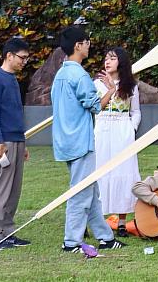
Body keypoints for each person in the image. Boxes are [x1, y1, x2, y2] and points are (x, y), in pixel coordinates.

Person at [51, 26, 124, 252]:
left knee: (91, 192)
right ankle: (70, 241)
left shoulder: (60, 74)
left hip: (65, 140)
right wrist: (111, 91)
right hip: (80, 142)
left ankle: (106, 237)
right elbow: (94, 106)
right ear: (78, 46)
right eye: (87, 43)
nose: (89, 46)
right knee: (80, 193)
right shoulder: (79, 75)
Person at [0, 37, 32, 250]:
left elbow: (14, 113)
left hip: (16, 140)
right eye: (22, 58)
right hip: (3, 143)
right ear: (9, 56)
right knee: (0, 190)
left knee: (13, 191)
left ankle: (7, 233)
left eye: (26, 59)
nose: (24, 62)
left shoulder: (12, 79)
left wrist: (23, 142)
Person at [93, 47, 142, 236]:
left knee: (124, 171)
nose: (107, 62)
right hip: (103, 127)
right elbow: (95, 108)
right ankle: (96, 218)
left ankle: (122, 221)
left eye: (112, 58)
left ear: (121, 61)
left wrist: (131, 128)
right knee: (100, 171)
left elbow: (136, 111)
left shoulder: (131, 85)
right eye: (106, 58)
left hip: (123, 129)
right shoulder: (97, 84)